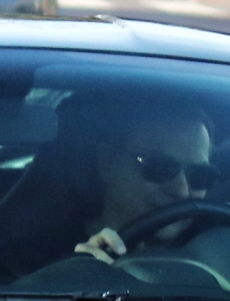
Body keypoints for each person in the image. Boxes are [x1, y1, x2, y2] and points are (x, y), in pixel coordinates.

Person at [72, 106, 213, 265]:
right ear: (107, 162)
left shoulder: (219, 253)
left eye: (200, 175)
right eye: (160, 168)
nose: (182, 191)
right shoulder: (49, 258)